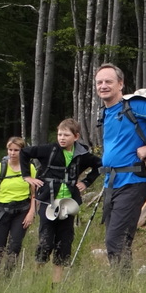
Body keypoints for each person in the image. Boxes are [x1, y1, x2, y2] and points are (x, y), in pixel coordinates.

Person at [95, 64, 146, 272]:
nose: (103, 86)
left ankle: (122, 286)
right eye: (99, 82)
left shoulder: (134, 105)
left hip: (132, 180)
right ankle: (121, 284)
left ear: (120, 84)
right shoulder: (105, 113)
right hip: (112, 183)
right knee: (114, 239)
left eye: (108, 81)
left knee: (117, 240)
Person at [20, 119, 101, 283]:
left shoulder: (82, 154)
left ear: (76, 136)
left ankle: (56, 284)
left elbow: (99, 164)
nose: (62, 138)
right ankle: (35, 279)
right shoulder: (48, 150)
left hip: (69, 204)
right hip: (47, 202)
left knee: (64, 243)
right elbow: (24, 153)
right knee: (46, 242)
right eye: (59, 134)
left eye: (66, 135)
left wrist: (86, 182)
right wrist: (27, 176)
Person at [0, 137, 37, 279]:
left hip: (22, 211)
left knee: (15, 246)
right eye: (10, 150)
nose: (12, 153)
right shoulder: (0, 168)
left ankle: (8, 278)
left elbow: (34, 194)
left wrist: (31, 212)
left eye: (16, 150)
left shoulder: (29, 168)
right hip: (1, 211)